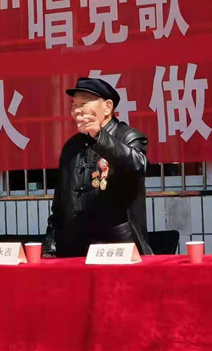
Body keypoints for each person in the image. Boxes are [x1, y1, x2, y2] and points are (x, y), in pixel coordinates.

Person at [44, 77, 153, 257]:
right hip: (74, 249)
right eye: (74, 105)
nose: (77, 110)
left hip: (118, 247)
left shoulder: (129, 137)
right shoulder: (71, 146)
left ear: (108, 107)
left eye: (83, 103)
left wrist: (99, 137)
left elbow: (138, 166)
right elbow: (60, 205)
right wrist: (51, 247)